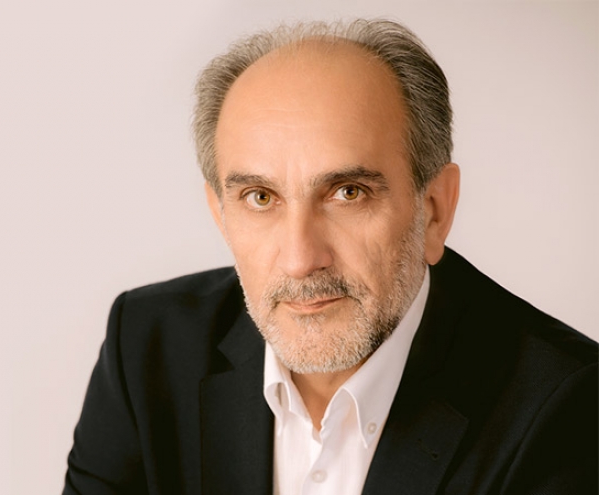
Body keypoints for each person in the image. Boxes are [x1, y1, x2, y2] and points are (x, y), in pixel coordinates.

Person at [62, 19, 597, 495]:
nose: (301, 260)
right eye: (260, 198)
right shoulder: (147, 348)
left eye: (348, 193)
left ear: (434, 210)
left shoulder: (567, 408)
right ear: (221, 215)